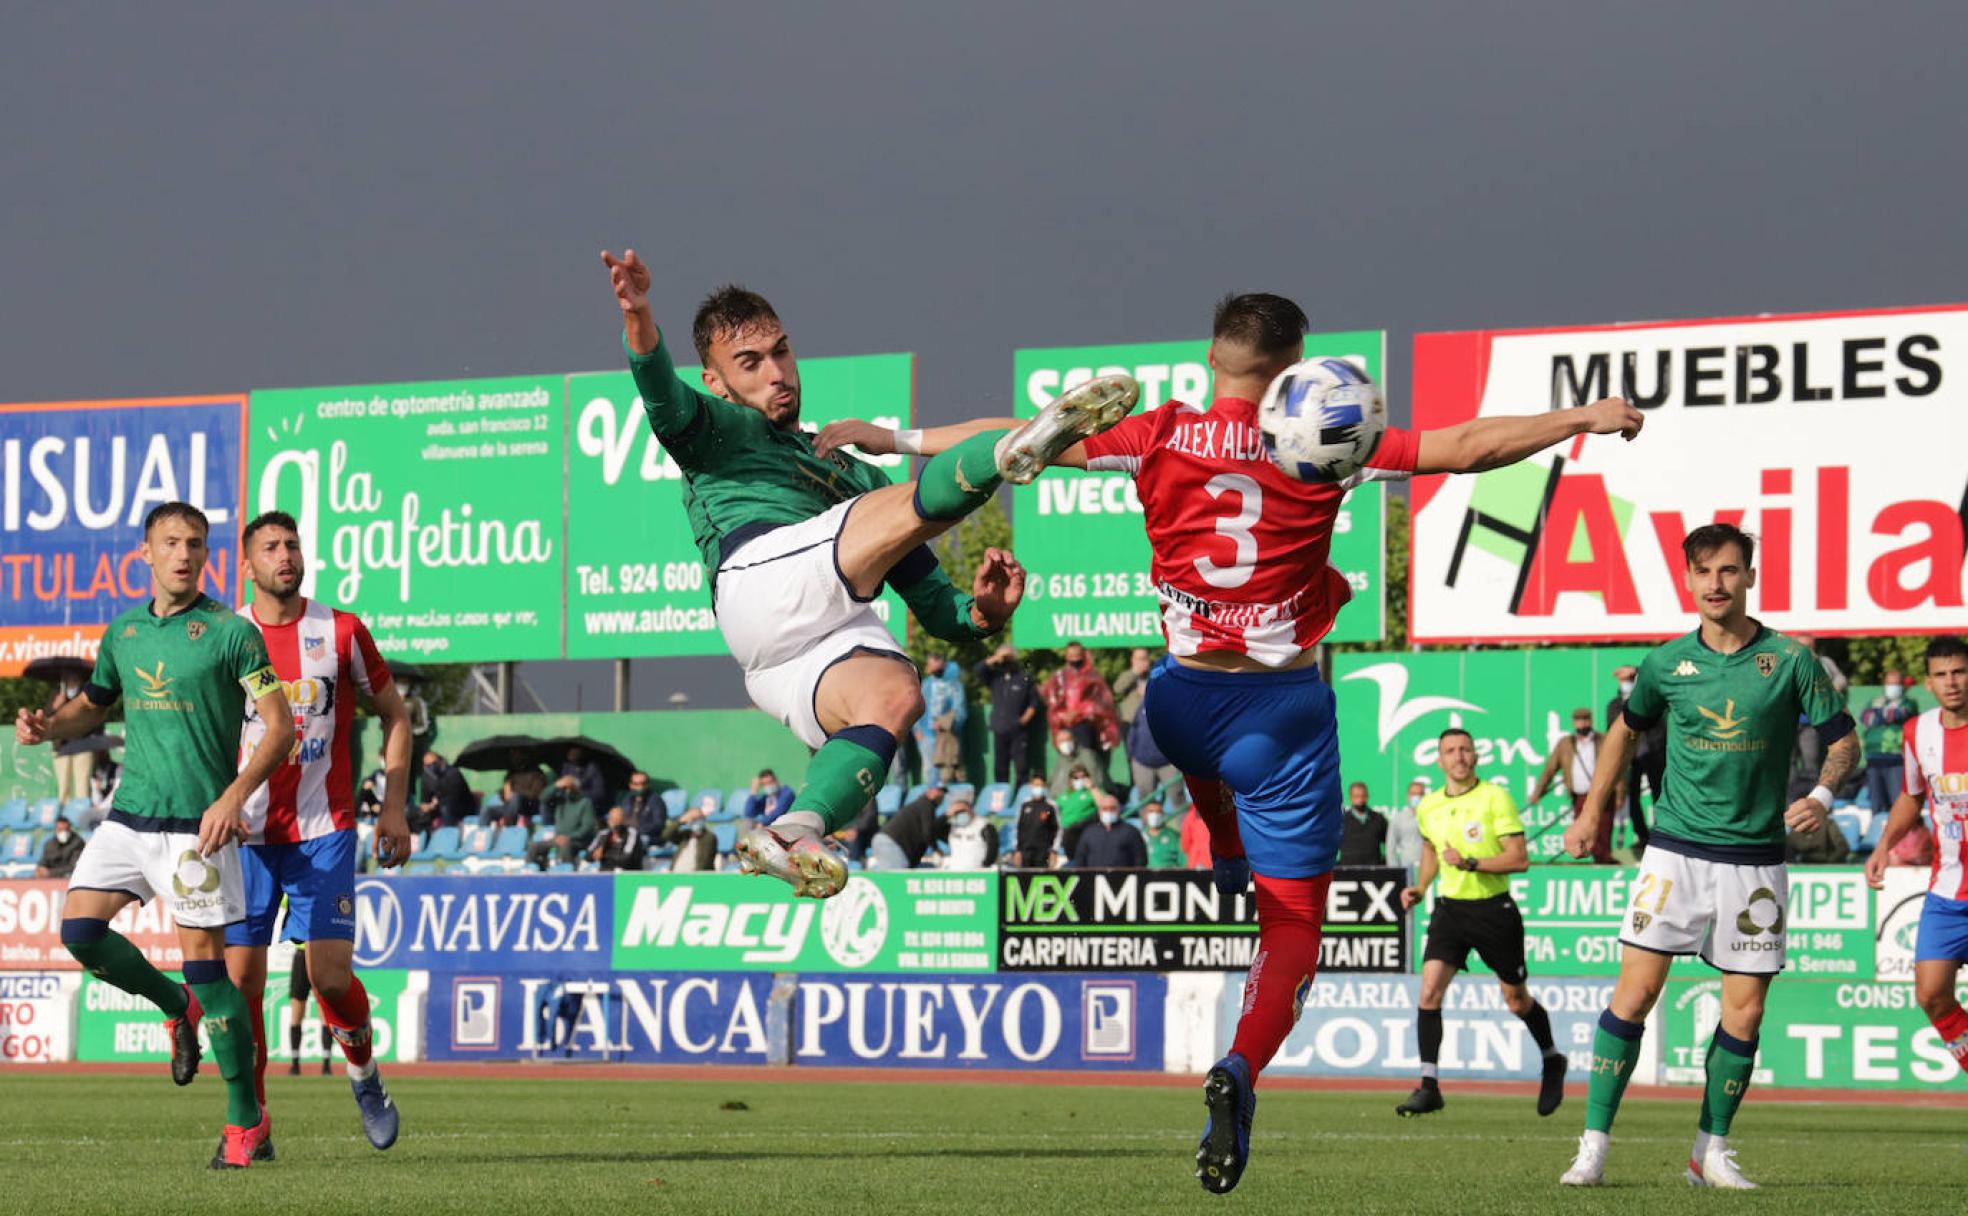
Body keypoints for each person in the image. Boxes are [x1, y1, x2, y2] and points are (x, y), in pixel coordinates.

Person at [819, 290, 1644, 1194]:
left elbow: (1014, 437)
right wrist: (1580, 418)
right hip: (1277, 715)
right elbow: (1471, 446)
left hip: (1177, 705)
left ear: (1211, 358)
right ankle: (1240, 1068)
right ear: (1294, 368)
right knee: (1293, 925)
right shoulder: (1326, 438)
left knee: (1217, 759)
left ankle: (1222, 843)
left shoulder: (1161, 431)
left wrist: (893, 438)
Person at [602, 250, 1132, 899]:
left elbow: (939, 611)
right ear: (716, 381)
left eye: (781, 352)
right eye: (751, 362)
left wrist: (984, 613)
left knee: (896, 694)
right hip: (758, 583)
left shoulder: (854, 471)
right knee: (897, 507)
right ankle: (1012, 455)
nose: (777, 373)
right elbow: (659, 392)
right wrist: (638, 315)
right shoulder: (718, 429)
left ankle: (794, 829)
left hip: (790, 657)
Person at [1559, 523, 1858, 1190]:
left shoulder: (1790, 660)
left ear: (1749, 575)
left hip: (1755, 860)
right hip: (1674, 852)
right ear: (1688, 580)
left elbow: (1843, 739)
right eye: (1704, 572)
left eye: (1728, 570)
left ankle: (1709, 1153)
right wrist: (1591, 812)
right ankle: (1593, 1148)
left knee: (1745, 1013)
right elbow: (1623, 732)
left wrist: (1823, 794)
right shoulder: (1666, 663)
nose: (1716, 584)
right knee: (1635, 995)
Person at [13, 501, 293, 1169]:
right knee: (80, 932)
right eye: (170, 542)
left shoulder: (232, 633)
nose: (183, 554)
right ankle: (174, 1005)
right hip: (129, 817)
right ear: (145, 553)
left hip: (198, 829)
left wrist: (232, 797)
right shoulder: (124, 633)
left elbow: (280, 726)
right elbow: (93, 704)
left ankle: (245, 1122)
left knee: (211, 974)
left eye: (194, 543)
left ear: (207, 554)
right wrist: (48, 727)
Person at [224, 510, 414, 1158]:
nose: (285, 555)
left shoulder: (340, 630)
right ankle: (253, 1120)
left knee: (330, 978)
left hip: (322, 829)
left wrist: (393, 808)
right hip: (246, 836)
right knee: (241, 984)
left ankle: (365, 1076)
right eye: (270, 547)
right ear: (247, 566)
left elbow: (396, 716)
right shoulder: (229, 635)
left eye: (292, 544)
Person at [1397, 729, 1566, 1119]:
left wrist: (1471, 863)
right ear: (1439, 760)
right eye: (1450, 751)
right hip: (1449, 910)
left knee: (1516, 1000)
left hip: (1494, 911)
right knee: (1429, 992)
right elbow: (1430, 849)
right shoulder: (1429, 806)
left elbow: (1519, 858)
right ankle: (1429, 1085)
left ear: (1475, 756)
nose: (1458, 756)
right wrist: (1421, 887)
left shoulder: (1495, 797)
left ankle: (1552, 1058)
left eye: (1465, 750)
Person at [1865, 636, 1968, 1082]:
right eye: (1942, 674)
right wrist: (1883, 846)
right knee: (1931, 994)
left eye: (1959, 672)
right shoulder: (1918, 732)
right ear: (1928, 683)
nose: (1952, 682)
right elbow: (1911, 796)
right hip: (1947, 892)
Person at [1529, 708, 1614, 863]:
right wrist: (1538, 792)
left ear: (1590, 721)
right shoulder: (1566, 743)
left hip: (1603, 793)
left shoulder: (1602, 740)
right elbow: (1550, 769)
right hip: (1579, 795)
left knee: (1603, 830)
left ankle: (1604, 862)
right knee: (1583, 830)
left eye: (1585, 720)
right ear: (1574, 723)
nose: (1582, 724)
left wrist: (1620, 793)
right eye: (1579, 720)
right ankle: (1597, 861)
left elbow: (1615, 767)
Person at [1042, 643, 1119, 790]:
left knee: (1089, 761)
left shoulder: (1093, 677)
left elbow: (1102, 704)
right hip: (1065, 728)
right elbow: (1052, 703)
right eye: (1071, 655)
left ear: (1083, 655)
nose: (1074, 659)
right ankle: (1063, 791)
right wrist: (1063, 716)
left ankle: (1096, 790)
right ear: (1066, 656)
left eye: (1077, 655)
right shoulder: (1059, 678)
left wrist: (1080, 712)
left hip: (1088, 728)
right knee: (1066, 761)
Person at [1606, 665, 1660, 854]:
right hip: (1630, 758)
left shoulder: (1648, 700)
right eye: (1624, 679)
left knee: (1658, 794)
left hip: (1652, 753)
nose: (1627, 682)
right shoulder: (1614, 705)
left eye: (1630, 679)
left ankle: (1659, 833)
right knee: (1632, 797)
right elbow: (1611, 730)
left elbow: (1660, 727)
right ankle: (1642, 835)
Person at [974, 646, 1041, 786]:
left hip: (1018, 730)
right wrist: (996, 658)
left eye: (1008, 657)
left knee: (1022, 766)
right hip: (1000, 729)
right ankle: (1001, 793)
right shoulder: (996, 678)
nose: (1005, 660)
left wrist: (1024, 720)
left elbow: (1034, 702)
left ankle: (1021, 793)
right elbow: (978, 670)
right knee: (1000, 767)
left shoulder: (1024, 678)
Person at [1859, 670, 1919, 818]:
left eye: (1896, 683)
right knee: (1877, 806)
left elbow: (1899, 714)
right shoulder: (1874, 701)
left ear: (1902, 685)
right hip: (1873, 758)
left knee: (1898, 805)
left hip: (1896, 760)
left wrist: (1878, 714)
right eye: (1890, 683)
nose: (1893, 687)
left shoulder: (1909, 702)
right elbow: (1865, 717)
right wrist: (1886, 714)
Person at [917, 654, 968, 784]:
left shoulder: (955, 685)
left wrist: (946, 724)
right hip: (927, 736)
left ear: (943, 664)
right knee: (930, 771)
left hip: (947, 736)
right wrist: (917, 729)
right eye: (930, 665)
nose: (932, 668)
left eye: (935, 665)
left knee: (949, 771)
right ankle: (932, 795)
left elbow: (960, 710)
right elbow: (917, 707)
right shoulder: (926, 684)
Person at [283, 942, 332, 1077]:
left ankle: (326, 1065)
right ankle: (295, 1064)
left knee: (324, 1009)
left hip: (321, 954)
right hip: (302, 955)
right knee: (297, 1011)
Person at [528, 775, 598, 869]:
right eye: (565, 788)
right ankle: (530, 870)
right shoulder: (561, 801)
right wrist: (557, 785)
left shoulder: (585, 803)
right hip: (558, 838)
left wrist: (569, 837)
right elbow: (543, 798)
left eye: (570, 788)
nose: (567, 791)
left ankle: (566, 870)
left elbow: (587, 828)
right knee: (534, 846)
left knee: (565, 845)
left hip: (577, 841)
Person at [872, 784, 947, 870]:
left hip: (886, 842)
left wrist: (946, 815)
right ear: (929, 791)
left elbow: (931, 829)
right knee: (898, 877)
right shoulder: (926, 805)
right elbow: (928, 833)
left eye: (942, 792)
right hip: (891, 843)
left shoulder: (923, 805)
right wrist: (936, 849)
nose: (940, 794)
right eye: (937, 790)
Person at [48, 677, 95, 801]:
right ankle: (63, 811)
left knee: (83, 786)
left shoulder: (86, 693)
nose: (71, 679)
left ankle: (82, 811)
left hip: (83, 745)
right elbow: (47, 720)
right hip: (62, 746)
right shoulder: (56, 695)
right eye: (68, 676)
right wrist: (55, 707)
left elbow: (94, 716)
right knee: (63, 787)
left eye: (74, 676)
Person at [1072, 791, 1147, 868]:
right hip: (1095, 875)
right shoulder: (1089, 833)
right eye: (1105, 808)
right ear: (1099, 811)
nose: (1109, 811)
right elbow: (1080, 859)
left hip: (1122, 875)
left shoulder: (1131, 832)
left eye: (1112, 808)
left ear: (1119, 810)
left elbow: (1140, 859)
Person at [662, 797, 718, 873]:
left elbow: (705, 862)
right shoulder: (685, 836)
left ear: (703, 819)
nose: (695, 821)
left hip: (694, 876)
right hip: (676, 873)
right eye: (693, 819)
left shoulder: (709, 837)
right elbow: (666, 834)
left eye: (698, 818)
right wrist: (681, 821)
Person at [1054, 765, 1098, 860]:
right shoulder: (1063, 795)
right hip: (1064, 833)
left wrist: (1092, 788)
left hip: (1083, 832)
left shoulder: (1093, 792)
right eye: (1076, 778)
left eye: (1083, 777)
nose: (1079, 780)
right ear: (1070, 779)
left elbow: (1105, 805)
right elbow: (1053, 811)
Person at [418, 752, 474, 828]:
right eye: (428, 765)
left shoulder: (453, 772)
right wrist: (426, 806)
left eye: (434, 763)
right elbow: (425, 798)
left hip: (460, 805)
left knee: (445, 807)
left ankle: (450, 831)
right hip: (437, 806)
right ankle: (425, 834)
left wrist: (436, 801)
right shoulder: (426, 778)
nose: (432, 767)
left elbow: (454, 794)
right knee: (417, 813)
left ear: (440, 760)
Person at [1337, 783, 1387, 865]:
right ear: (1350, 798)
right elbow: (1330, 845)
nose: (1360, 799)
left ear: (1367, 796)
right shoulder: (1341, 820)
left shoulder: (1378, 819)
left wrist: (1384, 862)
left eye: (1363, 796)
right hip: (1348, 868)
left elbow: (1389, 843)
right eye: (1356, 796)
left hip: (1374, 868)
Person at [586, 807, 647, 872]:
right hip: (606, 871)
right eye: (612, 820)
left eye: (617, 820)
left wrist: (603, 854)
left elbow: (626, 858)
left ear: (623, 820)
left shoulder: (632, 833)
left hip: (628, 872)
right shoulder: (603, 834)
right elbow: (587, 855)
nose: (614, 823)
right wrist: (593, 855)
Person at [942, 798, 998, 869]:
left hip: (977, 870)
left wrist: (985, 867)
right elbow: (933, 830)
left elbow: (992, 850)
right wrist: (946, 815)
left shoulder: (984, 826)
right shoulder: (952, 826)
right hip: (955, 869)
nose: (960, 814)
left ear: (971, 810)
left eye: (963, 811)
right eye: (957, 812)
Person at [1385, 779, 1427, 871]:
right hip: (1407, 867)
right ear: (1408, 796)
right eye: (1413, 794)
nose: (1416, 797)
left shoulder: (1433, 818)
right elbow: (1390, 847)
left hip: (1429, 867)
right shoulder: (1398, 819)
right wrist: (1395, 870)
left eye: (1420, 794)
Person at [1013, 789, 1059, 868]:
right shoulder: (1024, 805)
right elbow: (1018, 828)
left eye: (1040, 785)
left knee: (1041, 874)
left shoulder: (1050, 806)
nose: (1038, 788)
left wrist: (1054, 850)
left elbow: (1056, 829)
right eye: (1036, 785)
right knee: (1025, 874)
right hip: (1026, 851)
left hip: (1043, 852)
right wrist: (1017, 850)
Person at [561, 746, 611, 818]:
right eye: (570, 751)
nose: (572, 754)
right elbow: (561, 788)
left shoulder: (592, 768)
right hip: (569, 807)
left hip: (590, 807)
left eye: (575, 751)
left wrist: (577, 793)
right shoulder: (567, 767)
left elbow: (599, 794)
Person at [1142, 800, 1185, 868]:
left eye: (1158, 812)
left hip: (1169, 873)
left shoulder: (1174, 836)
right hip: (1147, 874)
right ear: (1145, 814)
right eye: (1151, 811)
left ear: (1163, 814)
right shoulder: (1140, 836)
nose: (1154, 815)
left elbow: (1183, 861)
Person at [622, 771, 665, 839]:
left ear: (648, 785)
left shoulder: (656, 801)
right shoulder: (627, 799)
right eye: (636, 784)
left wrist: (638, 831)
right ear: (631, 785)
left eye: (643, 784)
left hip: (644, 836)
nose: (640, 787)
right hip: (625, 834)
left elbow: (659, 825)